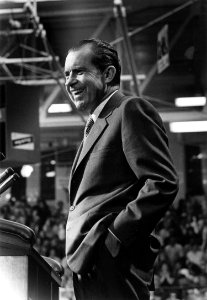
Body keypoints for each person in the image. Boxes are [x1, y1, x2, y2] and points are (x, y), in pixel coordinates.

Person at [64, 38, 179, 300]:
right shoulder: (94, 125)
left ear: (108, 73)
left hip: (113, 262)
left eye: (79, 71)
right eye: (67, 74)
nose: (69, 81)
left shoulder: (129, 109)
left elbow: (162, 182)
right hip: (88, 263)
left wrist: (114, 238)